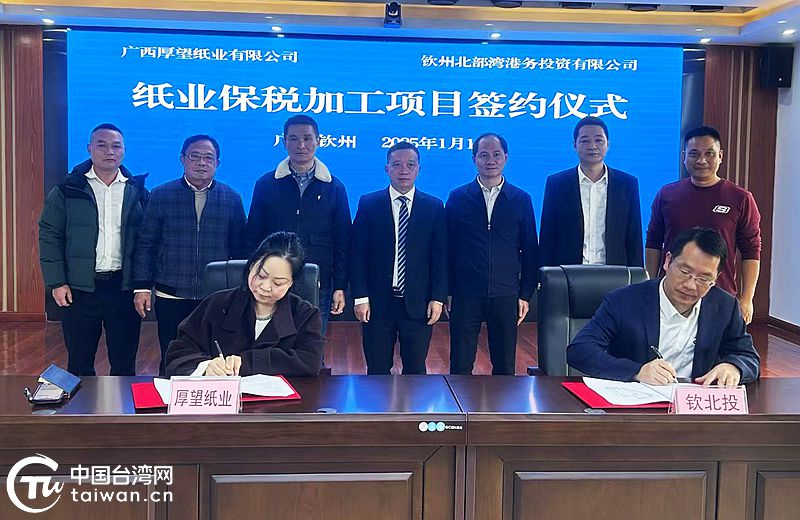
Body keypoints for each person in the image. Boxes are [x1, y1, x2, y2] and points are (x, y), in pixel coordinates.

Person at [567, 227, 760, 386]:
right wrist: (637, 371)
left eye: (703, 278)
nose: (691, 285)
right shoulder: (624, 301)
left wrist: (734, 367)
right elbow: (580, 350)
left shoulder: (725, 306)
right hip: (635, 406)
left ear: (715, 279)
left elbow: (748, 356)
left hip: (693, 407)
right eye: (684, 271)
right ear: (668, 261)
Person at [38, 123, 148, 376]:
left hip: (123, 287)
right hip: (80, 288)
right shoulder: (68, 189)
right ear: (89, 149)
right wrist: (57, 282)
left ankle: (120, 403)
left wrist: (143, 285)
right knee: (79, 362)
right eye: (102, 145)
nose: (109, 151)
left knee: (124, 362)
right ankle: (83, 404)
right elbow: (49, 235)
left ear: (124, 151)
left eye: (116, 146)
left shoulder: (137, 191)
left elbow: (147, 242)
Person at [132, 135, 247, 376]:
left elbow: (239, 251)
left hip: (216, 296)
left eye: (208, 158)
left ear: (217, 163)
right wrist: (142, 286)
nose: (202, 162)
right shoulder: (161, 195)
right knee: (172, 355)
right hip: (171, 292)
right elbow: (147, 243)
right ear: (182, 159)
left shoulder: (231, 198)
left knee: (216, 357)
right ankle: (170, 396)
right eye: (195, 156)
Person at [165, 232, 325, 377]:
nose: (265, 287)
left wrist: (247, 362)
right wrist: (206, 367)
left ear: (291, 283)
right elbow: (178, 352)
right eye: (261, 276)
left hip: (281, 401)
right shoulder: (216, 305)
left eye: (278, 283)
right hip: (221, 398)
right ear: (251, 266)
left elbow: (311, 361)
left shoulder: (305, 315)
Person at [245, 115, 351, 334]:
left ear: (318, 141)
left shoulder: (334, 188)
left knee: (311, 343)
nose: (301, 145)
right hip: (271, 282)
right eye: (293, 139)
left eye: (307, 138)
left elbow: (343, 241)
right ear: (284, 142)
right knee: (270, 341)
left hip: (317, 282)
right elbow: (252, 236)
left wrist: (340, 285)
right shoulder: (266, 184)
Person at [646, 125, 761, 324]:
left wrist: (747, 298)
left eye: (709, 153)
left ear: (720, 156)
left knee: (717, 344)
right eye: (694, 154)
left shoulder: (740, 198)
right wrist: (650, 284)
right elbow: (653, 242)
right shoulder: (667, 194)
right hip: (671, 293)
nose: (701, 160)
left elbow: (751, 250)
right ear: (684, 157)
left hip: (719, 293)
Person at [446, 133, 539, 375]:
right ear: (474, 159)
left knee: (505, 365)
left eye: (496, 155)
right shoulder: (458, 198)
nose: (490, 161)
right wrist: (447, 290)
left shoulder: (520, 199)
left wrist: (525, 294)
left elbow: (530, 250)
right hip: (466, 293)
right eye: (484, 155)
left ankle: (502, 403)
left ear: (506, 157)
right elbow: (447, 248)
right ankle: (459, 402)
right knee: (460, 363)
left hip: (505, 293)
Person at [350, 142, 447, 374]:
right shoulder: (369, 204)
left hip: (418, 304)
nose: (404, 170)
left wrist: (438, 298)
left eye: (410, 165)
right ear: (387, 168)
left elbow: (440, 258)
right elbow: (358, 254)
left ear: (419, 169)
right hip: (377, 304)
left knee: (415, 371)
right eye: (397, 164)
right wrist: (360, 297)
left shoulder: (434, 207)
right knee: (377, 371)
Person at [540, 116, 643, 267]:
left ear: (608, 144)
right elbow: (547, 237)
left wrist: (637, 276)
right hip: (568, 273)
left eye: (599, 140)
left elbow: (634, 238)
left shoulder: (627, 185)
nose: (592, 146)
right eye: (585, 141)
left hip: (614, 272)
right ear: (574, 145)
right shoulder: (556, 184)